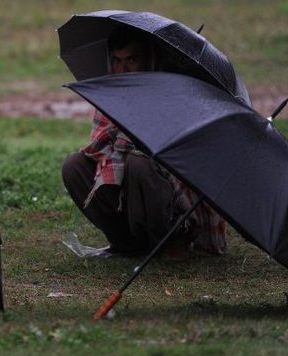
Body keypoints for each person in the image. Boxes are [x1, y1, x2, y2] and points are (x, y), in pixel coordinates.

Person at [61, 27, 226, 259]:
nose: (123, 69)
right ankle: (127, 243)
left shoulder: (174, 93)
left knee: (139, 164)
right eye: (116, 61)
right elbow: (104, 150)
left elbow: (184, 163)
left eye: (132, 59)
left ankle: (172, 242)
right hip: (133, 187)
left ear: (148, 59)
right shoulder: (113, 95)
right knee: (74, 166)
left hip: (177, 198)